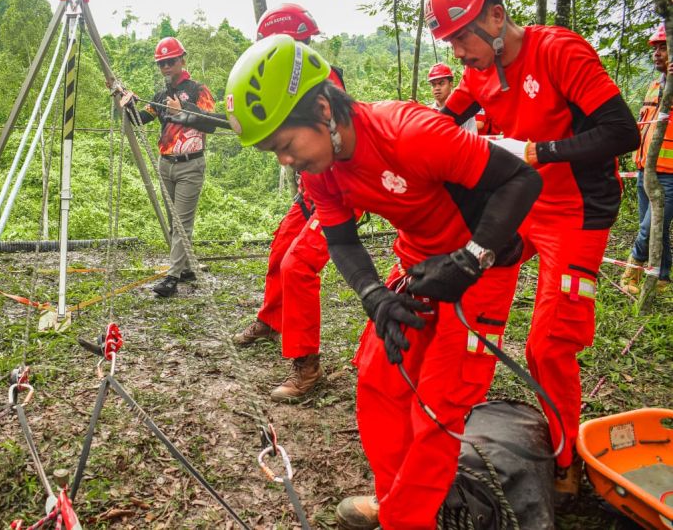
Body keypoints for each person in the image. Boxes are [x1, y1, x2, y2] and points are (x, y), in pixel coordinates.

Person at [225, 35, 541, 530]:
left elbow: (521, 180)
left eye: (285, 145)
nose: (285, 161)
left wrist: (471, 259)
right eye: (274, 152)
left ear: (324, 111)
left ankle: (406, 520)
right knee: (378, 379)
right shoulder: (321, 171)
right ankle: (397, 500)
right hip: (418, 263)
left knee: (439, 405)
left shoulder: (410, 133)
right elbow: (343, 241)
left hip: (484, 265)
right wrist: (374, 296)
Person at [428, 0, 640, 495]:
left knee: (548, 344)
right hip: (521, 206)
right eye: (449, 41)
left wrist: (536, 150)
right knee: (472, 299)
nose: (457, 53)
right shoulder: (478, 71)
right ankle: (451, 433)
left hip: (578, 211)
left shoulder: (559, 52)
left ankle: (566, 460)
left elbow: (622, 132)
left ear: (495, 19)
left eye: (461, 38)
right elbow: (439, 123)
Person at [234, 3, 346, 403]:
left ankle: (307, 366)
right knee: (281, 246)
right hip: (311, 191)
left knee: (297, 265)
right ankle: (271, 319)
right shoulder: (289, 80)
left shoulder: (322, 78)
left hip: (337, 192)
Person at [127, 37, 216, 298]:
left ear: (182, 60)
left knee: (181, 223)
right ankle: (186, 266)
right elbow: (140, 119)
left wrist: (183, 109)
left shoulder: (199, 90)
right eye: (161, 63)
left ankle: (172, 277)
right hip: (166, 165)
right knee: (172, 221)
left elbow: (210, 123)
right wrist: (125, 100)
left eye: (170, 61)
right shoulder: (161, 95)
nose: (166, 66)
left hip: (191, 164)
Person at [620, 23, 672, 294]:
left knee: (650, 224)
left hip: (669, 171)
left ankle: (632, 270)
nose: (657, 54)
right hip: (645, 168)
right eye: (655, 49)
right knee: (653, 225)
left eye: (664, 48)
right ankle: (662, 276)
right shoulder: (654, 85)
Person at [426, 62, 476, 132]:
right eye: (433, 85)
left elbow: (472, 137)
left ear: (451, 84)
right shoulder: (428, 112)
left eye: (441, 83)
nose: (437, 88)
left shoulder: (464, 110)